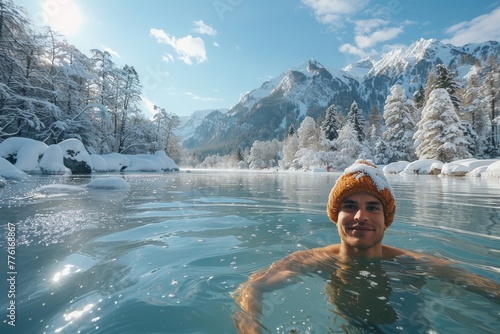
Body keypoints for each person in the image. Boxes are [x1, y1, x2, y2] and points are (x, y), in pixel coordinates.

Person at [232, 160, 499, 334]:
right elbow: (252, 287)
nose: (361, 216)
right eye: (350, 206)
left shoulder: (412, 263)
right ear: (335, 216)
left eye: (372, 207)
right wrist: (251, 327)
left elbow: (476, 284)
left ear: (386, 220)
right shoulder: (311, 260)